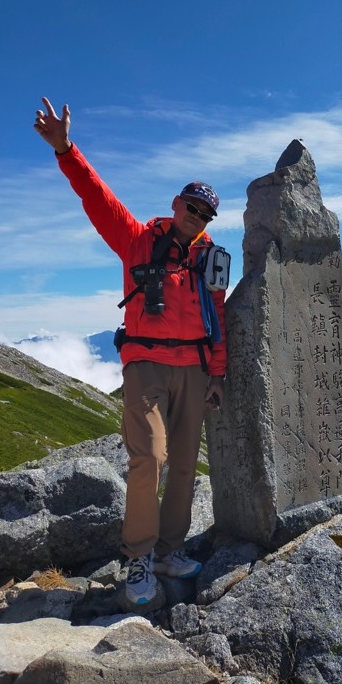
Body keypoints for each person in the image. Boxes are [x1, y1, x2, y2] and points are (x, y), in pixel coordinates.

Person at [34, 97, 227, 605]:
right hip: (145, 365)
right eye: (192, 206)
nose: (197, 216)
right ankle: (139, 556)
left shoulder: (211, 258)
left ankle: (169, 550)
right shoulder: (138, 239)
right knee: (151, 458)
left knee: (185, 464)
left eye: (206, 213)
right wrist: (66, 150)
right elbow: (98, 198)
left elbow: (218, 318)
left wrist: (218, 375)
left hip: (195, 369)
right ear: (175, 204)